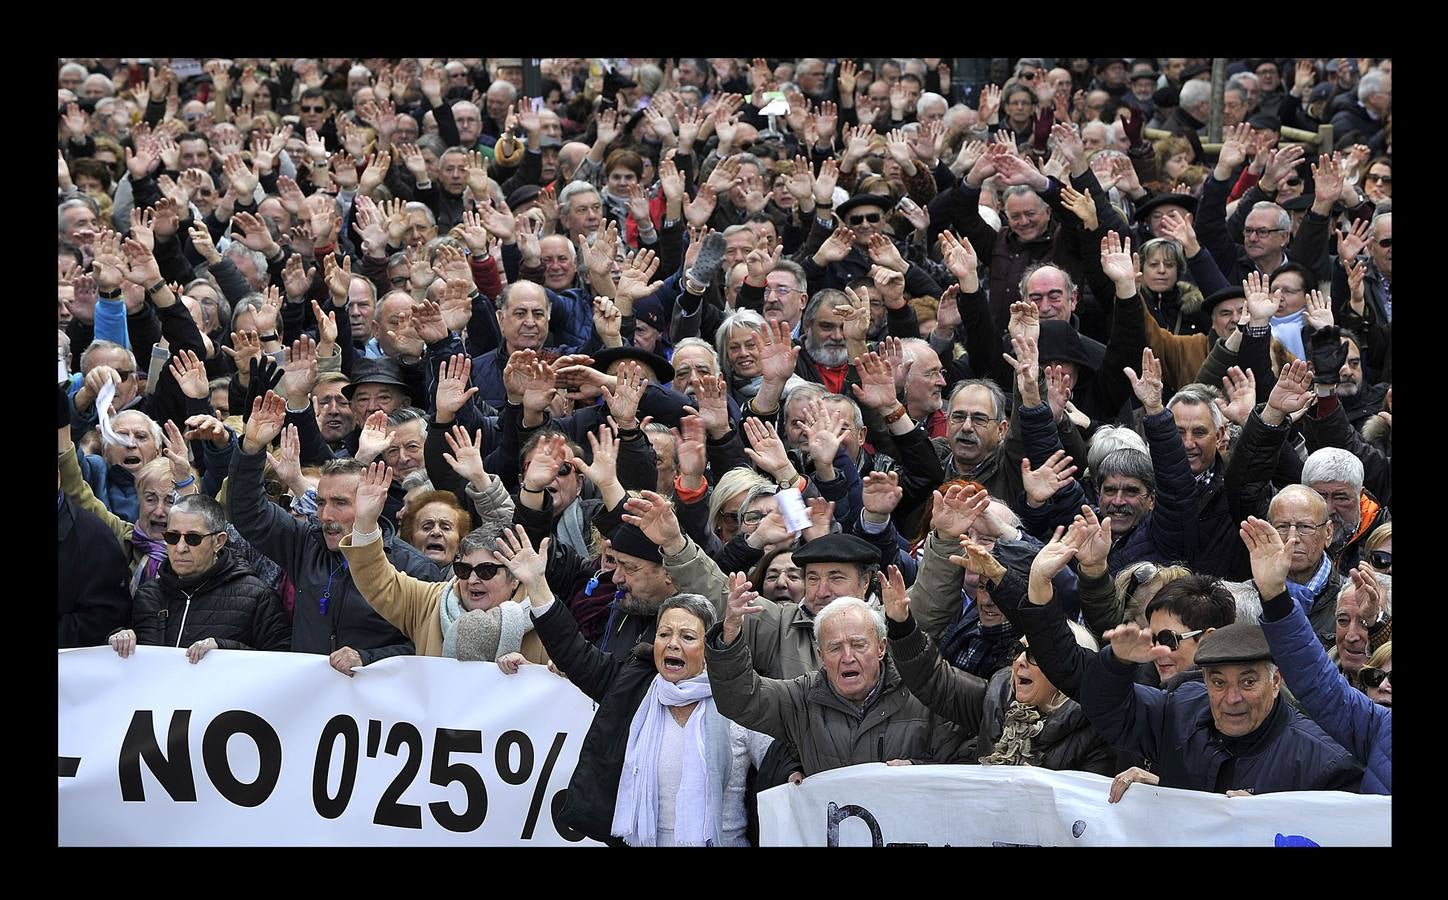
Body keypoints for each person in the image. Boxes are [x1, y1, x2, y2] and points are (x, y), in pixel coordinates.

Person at [491, 523, 772, 846]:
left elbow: (784, 767)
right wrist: (538, 585)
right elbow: (574, 652)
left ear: (708, 647)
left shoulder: (741, 702)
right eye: (664, 635)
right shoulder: (634, 687)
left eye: (688, 636)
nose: (673, 644)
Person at [228, 391, 429, 675]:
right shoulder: (307, 545)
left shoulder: (413, 568)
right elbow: (248, 514)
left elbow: (427, 647)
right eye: (321, 502)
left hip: (377, 713)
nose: (325, 516)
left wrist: (368, 658)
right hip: (311, 706)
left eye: (340, 503)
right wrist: (251, 448)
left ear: (371, 500)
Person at [707, 586, 971, 776]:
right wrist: (730, 635)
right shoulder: (801, 697)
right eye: (835, 648)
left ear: (881, 648)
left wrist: (917, 770)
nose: (847, 657)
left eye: (858, 645)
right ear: (821, 656)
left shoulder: (923, 694)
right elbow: (740, 699)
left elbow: (965, 766)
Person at [882, 559, 1115, 774]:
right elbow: (934, 681)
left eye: (1035, 655)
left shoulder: (1096, 729)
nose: (1020, 661)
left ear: (1068, 665)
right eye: (1017, 650)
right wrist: (902, 627)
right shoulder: (997, 696)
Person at [340, 463, 546, 663]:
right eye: (464, 570)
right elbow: (377, 582)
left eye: (486, 571)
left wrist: (541, 672)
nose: (472, 579)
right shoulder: (429, 603)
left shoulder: (545, 617)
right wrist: (365, 521)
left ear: (514, 580)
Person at [1243, 517, 1391, 793]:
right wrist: (1275, 596)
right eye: (1343, 620)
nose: (1384, 684)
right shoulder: (1382, 728)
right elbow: (1317, 682)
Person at [107, 494, 291, 661]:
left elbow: (282, 664)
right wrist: (120, 638)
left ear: (219, 541)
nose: (180, 548)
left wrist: (225, 649)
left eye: (193, 538)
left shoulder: (256, 597)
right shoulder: (148, 594)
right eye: (172, 537)